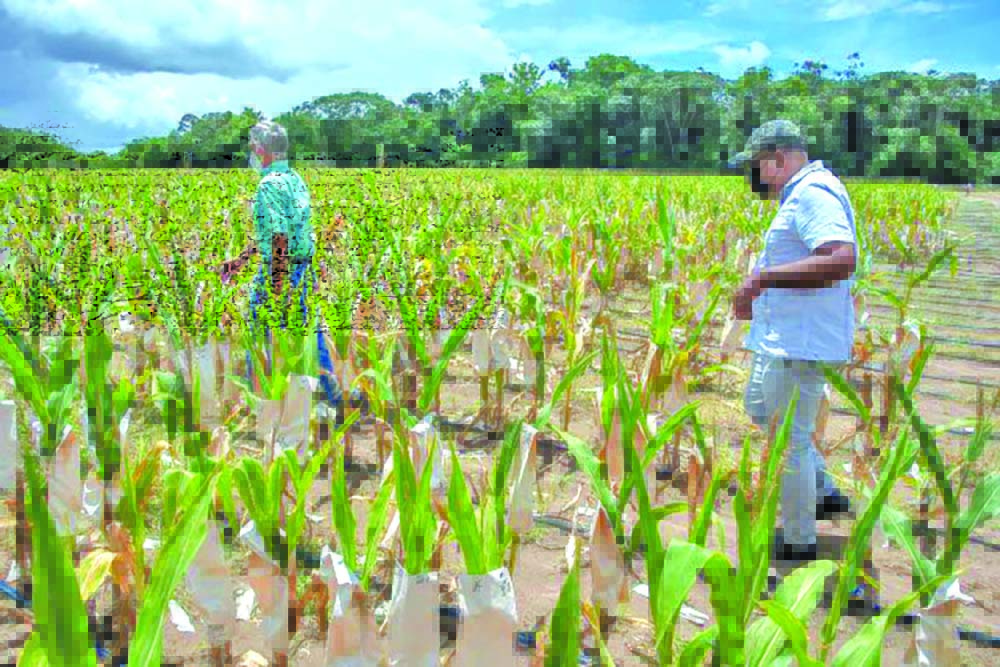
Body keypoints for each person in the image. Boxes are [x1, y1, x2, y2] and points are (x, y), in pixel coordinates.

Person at [728, 120, 856, 566]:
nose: (754, 178)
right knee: (761, 407)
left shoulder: (813, 194)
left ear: (777, 159)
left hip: (800, 345)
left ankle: (799, 540)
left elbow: (841, 257)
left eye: (756, 167)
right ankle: (822, 490)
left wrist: (761, 278)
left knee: (790, 442)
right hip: (784, 340)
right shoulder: (801, 194)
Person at [219, 120, 367, 422]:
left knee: (259, 332)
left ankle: (260, 402)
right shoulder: (293, 178)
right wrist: (242, 260)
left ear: (261, 150)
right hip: (301, 267)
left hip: (282, 268)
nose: (251, 152)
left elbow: (278, 236)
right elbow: (280, 231)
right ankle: (332, 394)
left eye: (252, 146)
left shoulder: (268, 185)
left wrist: (277, 284)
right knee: (310, 332)